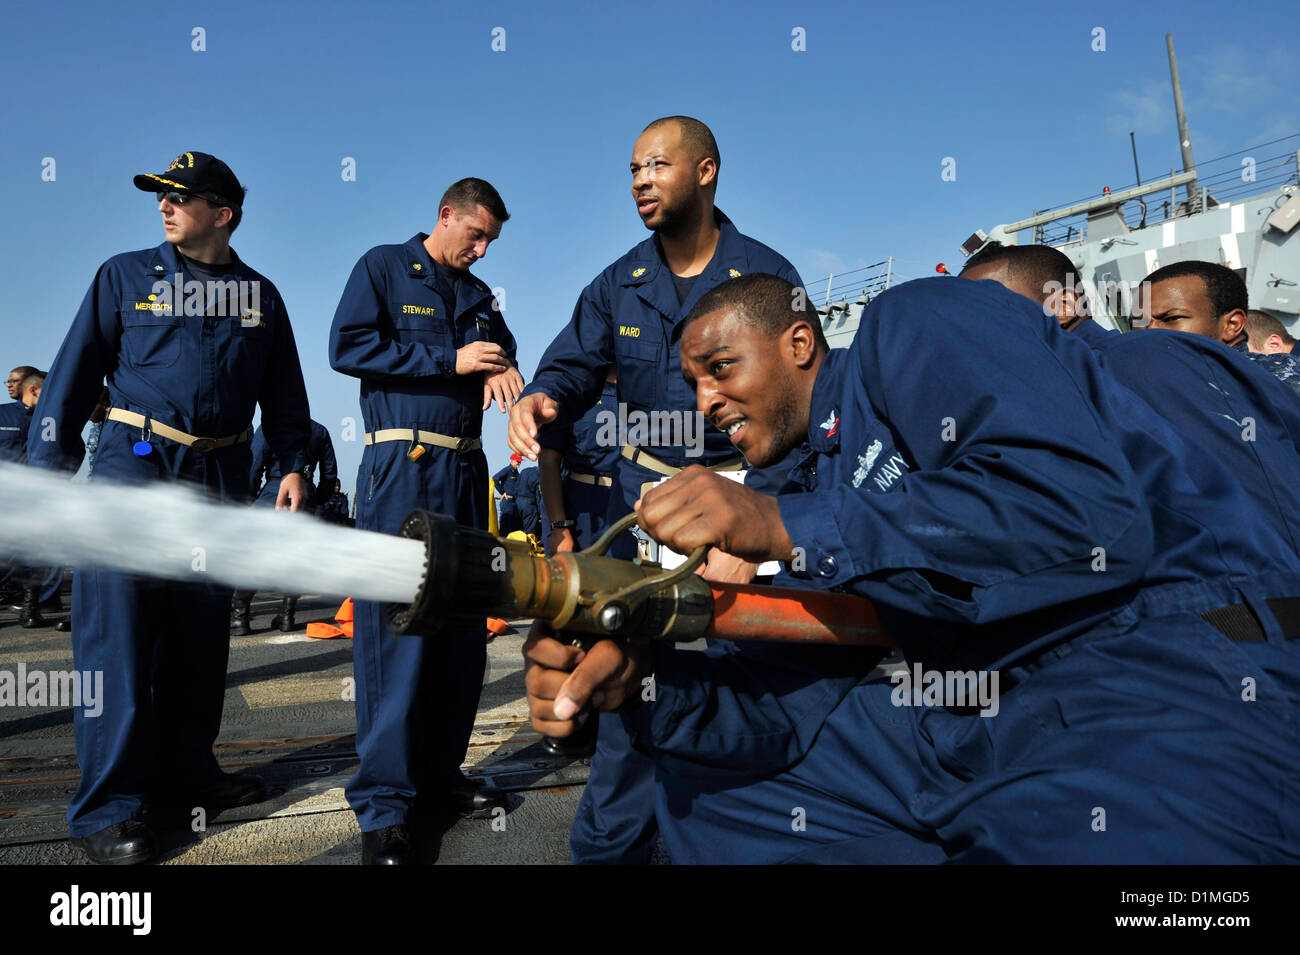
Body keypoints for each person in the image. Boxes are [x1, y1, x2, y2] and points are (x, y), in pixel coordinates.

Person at [525, 273, 1300, 863]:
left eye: (721, 367)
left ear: (800, 343)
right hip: (977, 714)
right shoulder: (798, 487)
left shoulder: (912, 323)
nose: (705, 402)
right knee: (705, 795)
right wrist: (643, 690)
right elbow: (788, 708)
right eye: (693, 383)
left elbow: (1081, 512)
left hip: (1149, 669)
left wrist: (787, 526)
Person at [508, 115, 806, 865]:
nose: (641, 180)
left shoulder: (767, 279)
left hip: (745, 501)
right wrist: (539, 396)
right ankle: (618, 845)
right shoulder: (616, 286)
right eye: (633, 169)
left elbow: (799, 401)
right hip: (651, 509)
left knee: (750, 686)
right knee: (632, 693)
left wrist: (764, 518)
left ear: (705, 171)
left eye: (658, 166)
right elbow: (569, 369)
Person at [28, 150, 311, 865]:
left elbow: (284, 394)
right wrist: (48, 479)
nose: (164, 205)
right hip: (134, 468)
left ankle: (189, 775)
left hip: (218, 477)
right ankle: (110, 807)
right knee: (117, 642)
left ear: (224, 213)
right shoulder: (123, 276)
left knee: (198, 640)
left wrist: (294, 463)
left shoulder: (260, 296)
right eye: (160, 195)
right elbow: (70, 377)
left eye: (179, 196)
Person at [329, 177, 521, 865]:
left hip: (466, 472)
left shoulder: (478, 298)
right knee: (397, 633)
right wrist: (453, 360)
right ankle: (384, 805)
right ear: (445, 216)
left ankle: (440, 778)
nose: (482, 249)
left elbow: (501, 351)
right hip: (402, 470)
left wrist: (506, 370)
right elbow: (347, 347)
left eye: (491, 241)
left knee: (461, 632)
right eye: (476, 235)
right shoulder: (383, 267)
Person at [961, 243, 1300, 552]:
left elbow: (1248, 502)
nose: (971, 328)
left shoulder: (1131, 363)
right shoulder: (1087, 374)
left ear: (1062, 305)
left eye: (990, 308)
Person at [231, 418, 339, 633]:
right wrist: (317, 502)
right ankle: (287, 616)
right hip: (305, 495)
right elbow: (329, 475)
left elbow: (255, 464)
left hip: (275, 490)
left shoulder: (271, 425)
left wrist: (250, 498)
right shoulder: (320, 431)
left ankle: (239, 619)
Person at [1139, 260, 1300, 397]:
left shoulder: (1277, 383)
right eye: (1138, 323)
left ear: (1232, 325)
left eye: (1172, 318)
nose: (1149, 331)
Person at [493, 452, 524, 534]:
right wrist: (502, 492)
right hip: (507, 502)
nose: (519, 463)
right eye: (517, 461)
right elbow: (495, 479)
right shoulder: (507, 470)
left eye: (520, 461)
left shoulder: (517, 473)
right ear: (512, 460)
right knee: (505, 528)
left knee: (515, 528)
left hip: (515, 503)